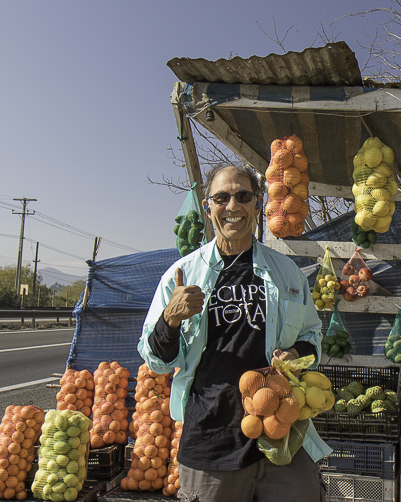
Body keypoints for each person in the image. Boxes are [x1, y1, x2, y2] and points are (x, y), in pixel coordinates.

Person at [138, 165, 331, 502]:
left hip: (282, 431)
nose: (232, 206)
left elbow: (313, 335)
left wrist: (296, 354)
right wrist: (170, 321)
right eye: (221, 197)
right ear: (207, 206)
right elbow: (157, 362)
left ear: (258, 203)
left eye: (243, 196)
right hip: (212, 437)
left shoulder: (287, 272)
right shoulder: (182, 274)